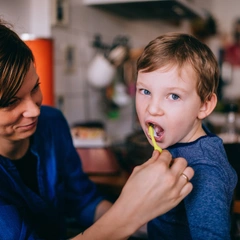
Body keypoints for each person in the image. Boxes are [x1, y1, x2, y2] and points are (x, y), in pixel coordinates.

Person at [0, 19, 194, 240]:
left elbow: (83, 201)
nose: (34, 110)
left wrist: (153, 228)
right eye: (10, 102)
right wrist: (130, 212)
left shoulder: (51, 123)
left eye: (35, 87)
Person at [135, 32, 238, 239]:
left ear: (204, 105)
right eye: (145, 91)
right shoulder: (182, 137)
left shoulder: (204, 170)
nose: (152, 109)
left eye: (173, 96)